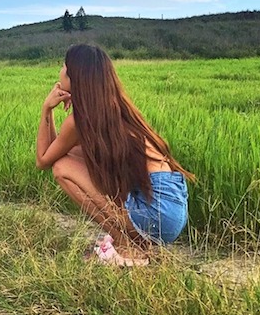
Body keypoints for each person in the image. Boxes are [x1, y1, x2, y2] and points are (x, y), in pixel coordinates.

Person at [35, 44, 194, 266]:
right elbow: (56, 151)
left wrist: (46, 109)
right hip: (171, 208)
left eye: (64, 66)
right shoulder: (113, 109)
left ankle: (126, 244)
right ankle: (138, 244)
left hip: (156, 210)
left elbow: (43, 160)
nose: (60, 71)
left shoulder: (82, 121)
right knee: (70, 157)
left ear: (76, 75)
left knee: (61, 168)